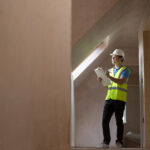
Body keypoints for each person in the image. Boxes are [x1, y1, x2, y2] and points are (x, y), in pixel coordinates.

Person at [97, 49, 131, 148]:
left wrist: (109, 77)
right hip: (109, 98)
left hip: (120, 99)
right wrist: (102, 81)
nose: (112, 58)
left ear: (120, 58)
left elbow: (121, 82)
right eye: (112, 56)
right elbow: (108, 86)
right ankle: (106, 142)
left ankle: (119, 142)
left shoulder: (125, 70)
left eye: (114, 56)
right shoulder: (110, 71)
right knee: (104, 121)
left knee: (118, 121)